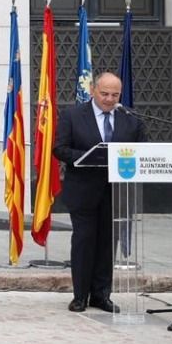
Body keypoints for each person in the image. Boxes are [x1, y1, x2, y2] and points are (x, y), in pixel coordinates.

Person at [54, 71, 143, 314]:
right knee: (84, 241)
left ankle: (101, 295)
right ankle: (80, 296)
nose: (109, 99)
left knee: (107, 244)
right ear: (93, 89)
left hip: (116, 192)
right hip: (83, 189)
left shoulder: (131, 118)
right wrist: (87, 157)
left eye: (115, 95)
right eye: (104, 93)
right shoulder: (73, 115)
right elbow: (59, 148)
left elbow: (141, 151)